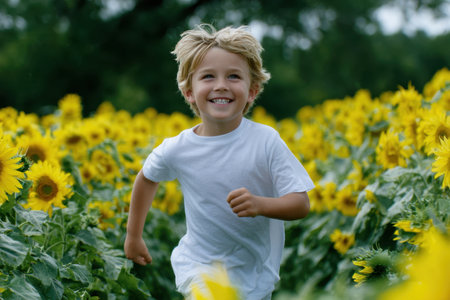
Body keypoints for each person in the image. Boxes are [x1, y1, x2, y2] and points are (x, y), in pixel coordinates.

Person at [124, 24, 314, 300]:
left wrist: (261, 204)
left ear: (252, 90)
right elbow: (147, 178)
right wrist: (133, 235)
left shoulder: (266, 141)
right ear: (189, 91)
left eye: (234, 76)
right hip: (199, 266)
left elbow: (300, 203)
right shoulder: (178, 148)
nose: (221, 85)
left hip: (255, 272)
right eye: (208, 76)